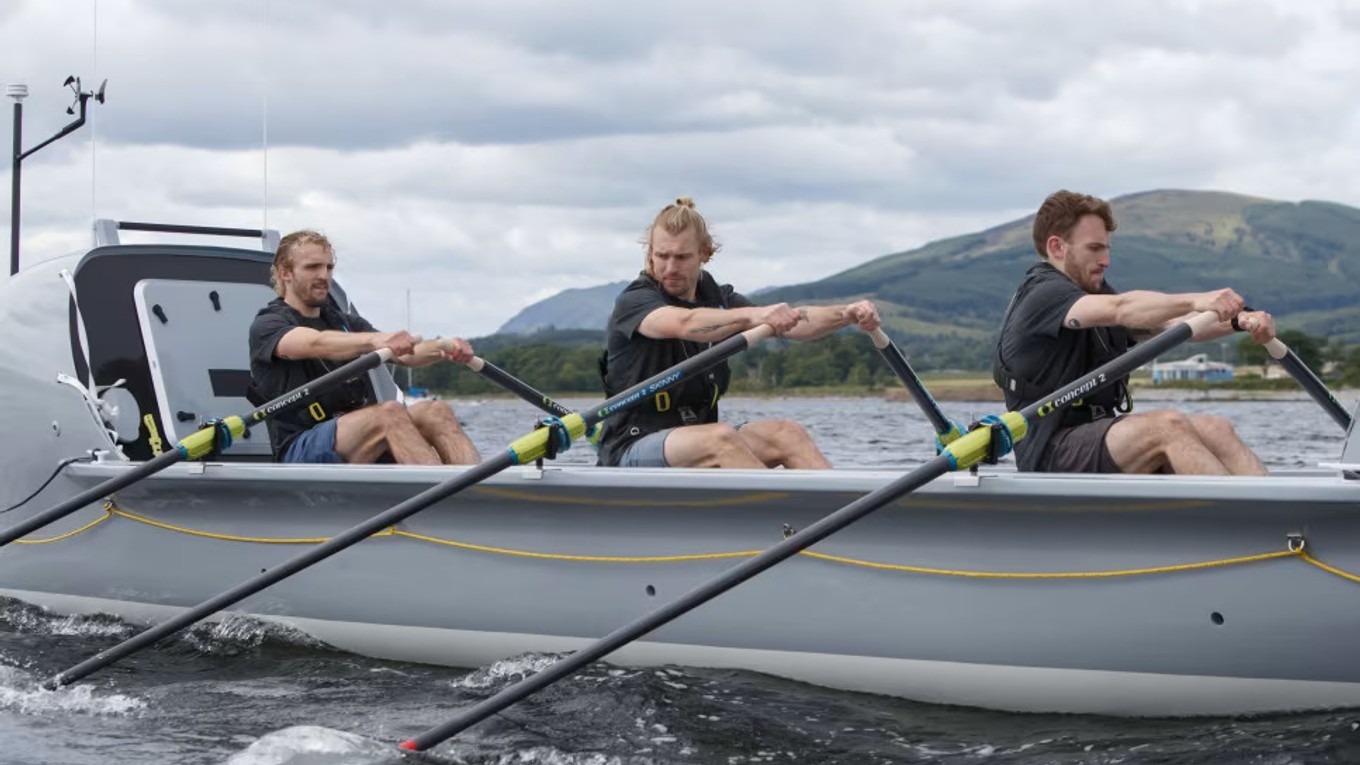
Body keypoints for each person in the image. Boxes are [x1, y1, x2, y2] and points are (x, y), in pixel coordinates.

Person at [994, 190, 1275, 475]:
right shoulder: (1043, 294)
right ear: (1057, 248)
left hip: (1099, 433)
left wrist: (1241, 320)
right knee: (1168, 427)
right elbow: (1122, 308)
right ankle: (1234, 514)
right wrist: (1196, 299)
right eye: (1094, 248)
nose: (1106, 261)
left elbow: (1180, 325)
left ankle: (1273, 514)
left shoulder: (1095, 294)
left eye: (1106, 249)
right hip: (1049, 447)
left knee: (1217, 429)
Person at [597, 197, 881, 469]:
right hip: (632, 445)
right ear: (650, 253)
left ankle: (845, 516)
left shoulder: (718, 299)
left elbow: (797, 321)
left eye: (682, 257)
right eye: (662, 256)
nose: (670, 268)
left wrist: (847, 313)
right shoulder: (635, 301)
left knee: (787, 434)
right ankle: (777, 519)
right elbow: (684, 323)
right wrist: (756, 315)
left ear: (705, 254)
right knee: (722, 439)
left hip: (698, 440)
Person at [248, 230, 481, 465]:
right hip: (300, 446)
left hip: (359, 434)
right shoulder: (269, 324)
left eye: (329, 268)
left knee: (436, 411)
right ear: (284, 273)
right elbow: (313, 343)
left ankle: (477, 493)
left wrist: (445, 347)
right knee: (389, 413)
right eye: (313, 267)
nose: (324, 276)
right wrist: (374, 341)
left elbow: (407, 355)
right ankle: (441, 495)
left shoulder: (345, 322)